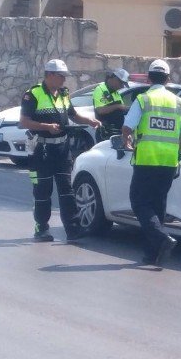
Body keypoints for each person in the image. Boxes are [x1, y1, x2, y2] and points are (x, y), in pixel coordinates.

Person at [18, 58, 101, 242]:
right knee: (43, 191)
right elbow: (23, 122)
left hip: (62, 148)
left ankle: (73, 229)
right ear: (50, 75)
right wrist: (46, 126)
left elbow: (73, 115)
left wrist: (89, 121)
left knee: (67, 190)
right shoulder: (33, 94)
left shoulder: (64, 94)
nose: (64, 80)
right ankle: (42, 229)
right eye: (61, 76)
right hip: (42, 149)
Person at [122, 59, 181, 267]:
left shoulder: (143, 100)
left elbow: (128, 126)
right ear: (169, 79)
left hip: (146, 160)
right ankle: (153, 254)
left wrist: (127, 140)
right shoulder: (178, 102)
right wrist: (178, 152)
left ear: (148, 78)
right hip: (168, 163)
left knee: (139, 202)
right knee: (157, 205)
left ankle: (162, 239)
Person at [92, 67, 130, 140]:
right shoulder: (100, 89)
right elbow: (100, 110)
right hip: (105, 133)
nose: (122, 86)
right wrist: (118, 106)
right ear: (114, 78)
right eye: (121, 83)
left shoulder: (116, 93)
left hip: (117, 133)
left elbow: (122, 110)